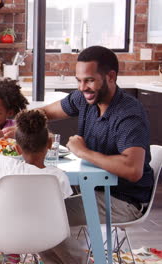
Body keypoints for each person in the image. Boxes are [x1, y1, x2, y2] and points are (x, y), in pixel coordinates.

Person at [27, 46, 154, 263]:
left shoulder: (127, 115)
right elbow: (46, 112)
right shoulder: (86, 99)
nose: (82, 87)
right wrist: (20, 123)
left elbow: (133, 170)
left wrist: (83, 152)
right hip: (93, 189)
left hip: (124, 199)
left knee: (42, 217)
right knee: (35, 211)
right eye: (78, 80)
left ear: (111, 76)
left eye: (89, 80)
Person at [0, 109, 73, 261]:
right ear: (50, 144)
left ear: (17, 148)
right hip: (47, 237)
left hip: (7, 235)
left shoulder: (8, 165)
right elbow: (62, 212)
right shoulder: (58, 177)